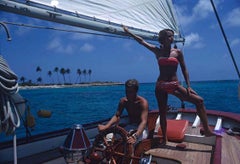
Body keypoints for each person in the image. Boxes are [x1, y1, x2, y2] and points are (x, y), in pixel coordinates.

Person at [123, 26, 215, 145]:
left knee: (199, 101)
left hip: (174, 84)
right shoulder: (157, 51)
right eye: (169, 36)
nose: (172, 38)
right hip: (161, 85)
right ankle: (165, 139)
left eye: (172, 36)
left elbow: (184, 69)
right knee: (162, 112)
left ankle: (207, 130)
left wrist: (188, 86)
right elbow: (142, 41)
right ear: (163, 39)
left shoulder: (177, 53)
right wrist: (129, 32)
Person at [98, 79, 149, 144]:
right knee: (111, 138)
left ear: (136, 91)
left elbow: (143, 122)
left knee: (130, 142)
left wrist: (135, 136)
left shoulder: (143, 103)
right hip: (131, 126)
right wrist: (106, 126)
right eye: (126, 91)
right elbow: (117, 116)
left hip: (142, 130)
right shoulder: (123, 101)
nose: (128, 94)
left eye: (130, 92)